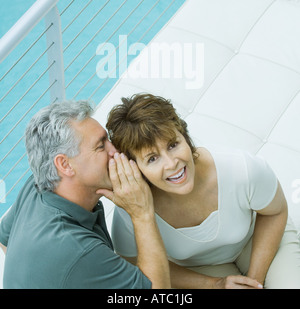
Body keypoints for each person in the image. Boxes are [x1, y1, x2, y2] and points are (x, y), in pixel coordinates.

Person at [106, 93, 300, 289]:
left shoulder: (240, 168)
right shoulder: (133, 207)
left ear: (184, 135)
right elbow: (135, 262)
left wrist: (254, 281)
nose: (172, 163)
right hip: (197, 269)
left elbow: (276, 211)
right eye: (152, 159)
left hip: (257, 240)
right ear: (135, 168)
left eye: (173, 145)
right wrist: (215, 284)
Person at [0, 100, 170, 289]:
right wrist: (142, 214)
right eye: (100, 146)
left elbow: (4, 237)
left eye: (108, 140)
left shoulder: (35, 187)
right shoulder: (77, 249)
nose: (115, 151)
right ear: (65, 165)